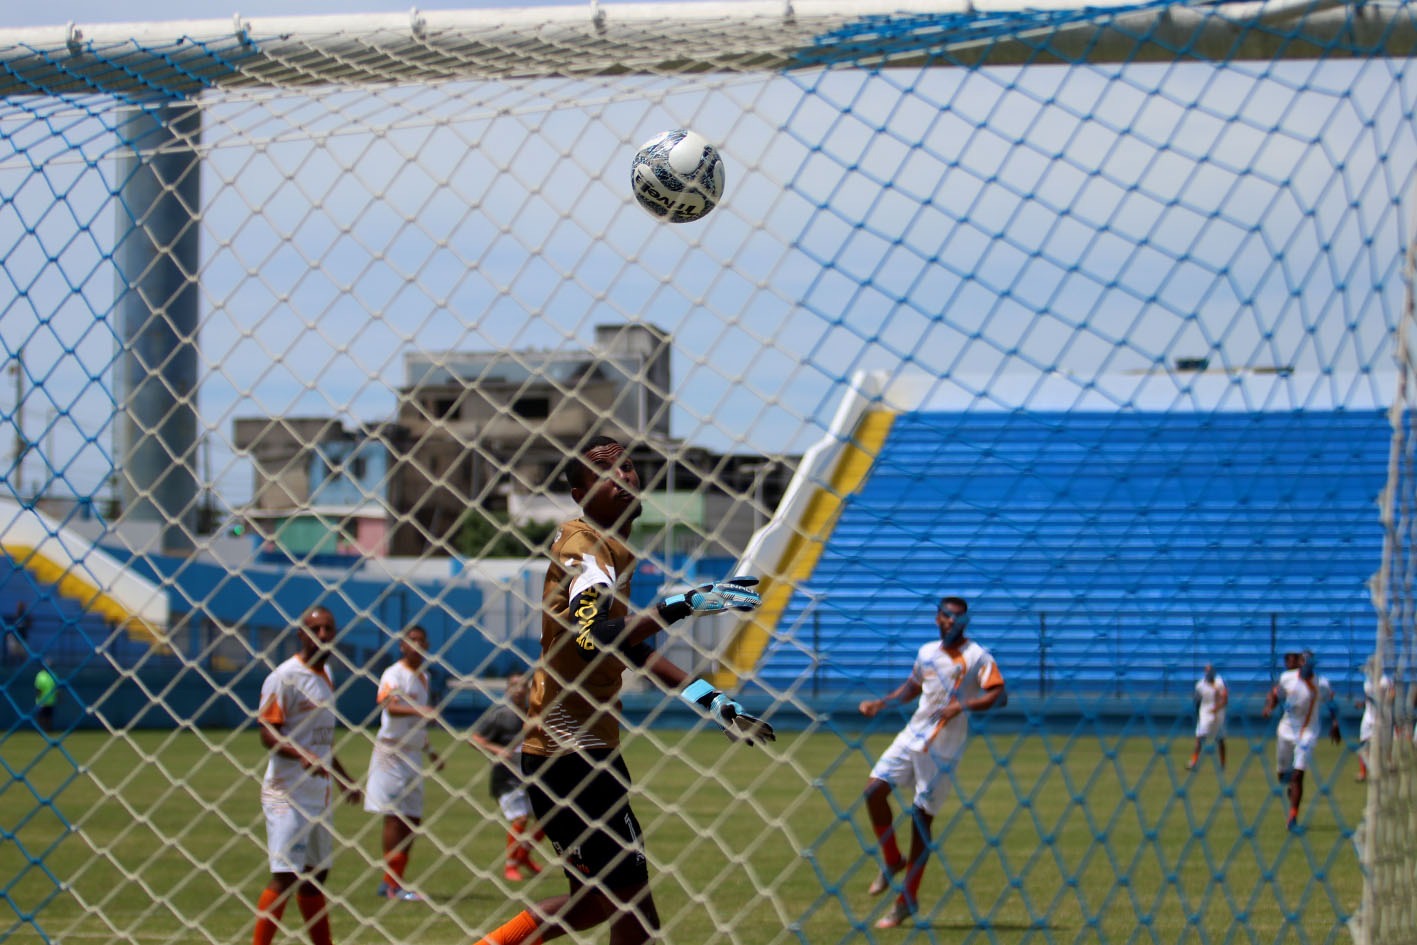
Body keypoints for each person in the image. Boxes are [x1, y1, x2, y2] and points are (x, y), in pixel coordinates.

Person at [473, 435, 774, 945]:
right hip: (570, 755)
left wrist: (716, 703)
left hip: (582, 750)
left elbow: (633, 651)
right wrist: (688, 603)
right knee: (621, 898)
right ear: (578, 493)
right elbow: (591, 639)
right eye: (606, 472)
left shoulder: (614, 552)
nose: (624, 476)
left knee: (614, 901)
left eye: (630, 468)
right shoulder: (585, 546)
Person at [857, 595, 1006, 929]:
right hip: (913, 736)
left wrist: (963, 706)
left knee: (921, 821)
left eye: (958, 618)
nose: (951, 622)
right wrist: (881, 703)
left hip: (943, 749)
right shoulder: (926, 652)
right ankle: (892, 860)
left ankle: (906, 899)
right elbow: (913, 687)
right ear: (937, 618)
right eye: (947, 616)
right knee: (872, 792)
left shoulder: (977, 656)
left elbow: (1000, 694)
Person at [252, 606, 363, 945]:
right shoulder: (285, 677)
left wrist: (344, 779)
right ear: (301, 634)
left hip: (319, 792)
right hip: (286, 792)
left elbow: (323, 743)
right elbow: (267, 732)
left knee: (317, 876)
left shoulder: (326, 676)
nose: (325, 636)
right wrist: (301, 756)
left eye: (330, 629)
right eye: (317, 629)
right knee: (285, 876)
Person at [366, 624, 441, 902]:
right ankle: (392, 885)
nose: (416, 645)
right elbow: (388, 705)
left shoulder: (424, 677)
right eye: (411, 640)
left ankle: (392, 881)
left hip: (413, 752)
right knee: (395, 816)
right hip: (392, 751)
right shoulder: (394, 673)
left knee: (412, 817)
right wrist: (420, 709)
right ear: (402, 646)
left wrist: (431, 751)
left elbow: (416, 724)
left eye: (421, 641)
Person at [469, 671, 544, 882]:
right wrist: (497, 750)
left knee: (546, 818)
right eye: (514, 685)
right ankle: (511, 866)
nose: (519, 690)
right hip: (507, 778)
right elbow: (473, 739)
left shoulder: (534, 712)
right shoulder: (500, 715)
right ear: (507, 690)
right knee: (520, 819)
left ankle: (524, 856)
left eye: (523, 686)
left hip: (531, 776)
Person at [1262, 650, 1341, 832]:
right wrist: (1269, 707)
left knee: (1298, 774)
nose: (1306, 667)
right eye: (1304, 663)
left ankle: (1292, 817)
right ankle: (1290, 786)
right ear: (1300, 663)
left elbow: (1331, 701)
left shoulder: (1321, 684)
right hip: (1286, 731)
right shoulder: (1287, 678)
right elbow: (1275, 694)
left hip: (1308, 733)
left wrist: (1335, 723)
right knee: (1283, 776)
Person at [1355, 654, 1393, 783]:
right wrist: (1362, 703)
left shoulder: (1384, 681)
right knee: (1363, 744)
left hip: (1382, 717)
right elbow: (1368, 697)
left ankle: (1387, 765)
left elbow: (1392, 694)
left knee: (1382, 744)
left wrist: (1385, 701)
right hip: (1368, 716)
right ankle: (1363, 772)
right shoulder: (1368, 681)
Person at [1187, 663, 1228, 771]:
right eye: (1206, 670)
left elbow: (1225, 698)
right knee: (1200, 737)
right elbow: (1197, 700)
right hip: (1205, 712)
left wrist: (1218, 707)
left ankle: (1222, 764)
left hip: (1218, 713)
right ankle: (1193, 761)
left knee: (1220, 739)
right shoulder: (1200, 685)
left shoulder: (1220, 682)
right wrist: (1197, 713)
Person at [33, 663, 56, 733]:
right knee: (42, 716)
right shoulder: (41, 675)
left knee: (48, 716)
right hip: (43, 700)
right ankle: (42, 730)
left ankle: (47, 730)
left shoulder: (53, 675)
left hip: (49, 700)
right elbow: (38, 688)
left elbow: (56, 688)